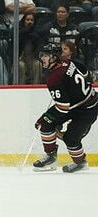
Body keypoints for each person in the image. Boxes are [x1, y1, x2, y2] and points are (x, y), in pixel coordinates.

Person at [32, 44, 98, 173]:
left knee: (70, 138)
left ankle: (81, 163)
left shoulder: (54, 78)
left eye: (45, 55)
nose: (42, 58)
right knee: (46, 124)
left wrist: (44, 118)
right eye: (41, 55)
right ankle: (51, 158)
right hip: (77, 103)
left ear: (54, 57)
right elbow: (85, 72)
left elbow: (62, 108)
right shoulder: (68, 62)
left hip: (87, 109)